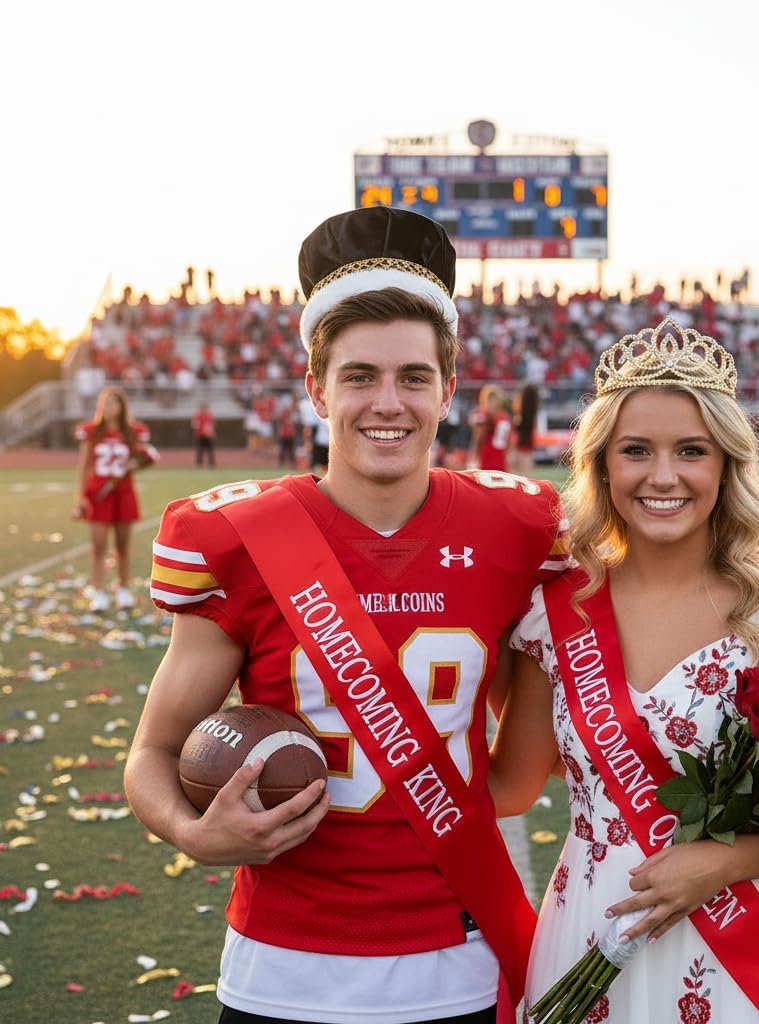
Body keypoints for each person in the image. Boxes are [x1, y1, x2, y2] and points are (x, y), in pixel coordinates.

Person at [124, 207, 568, 1024]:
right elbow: (150, 754)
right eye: (359, 375)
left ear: (449, 387)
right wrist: (194, 835)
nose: (387, 403)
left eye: (413, 377)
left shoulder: (518, 528)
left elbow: (510, 783)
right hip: (281, 966)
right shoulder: (235, 538)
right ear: (316, 387)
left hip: (455, 957)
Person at [488, 317, 759, 1022]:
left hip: (739, 943)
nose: (663, 476)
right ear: (601, 465)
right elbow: (509, 785)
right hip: (591, 929)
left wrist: (723, 863)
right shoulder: (553, 613)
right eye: (636, 451)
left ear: (725, 464)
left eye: (691, 451)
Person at [73, 386, 158, 612]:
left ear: (122, 406)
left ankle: (123, 590)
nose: (108, 407)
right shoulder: (92, 431)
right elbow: (83, 466)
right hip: (98, 493)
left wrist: (136, 463)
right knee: (99, 546)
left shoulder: (133, 431)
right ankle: (99, 592)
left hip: (123, 492)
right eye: (105, 403)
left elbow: (147, 456)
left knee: (122, 546)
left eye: (113, 403)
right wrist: (81, 497)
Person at [468, 385, 512, 471]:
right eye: (490, 400)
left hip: (500, 457)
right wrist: (473, 457)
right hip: (486, 456)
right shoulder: (482, 416)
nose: (492, 403)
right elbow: (476, 439)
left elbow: (507, 440)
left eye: (494, 400)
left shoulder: (503, 416)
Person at [509, 382, 540, 476]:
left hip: (518, 448)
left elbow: (514, 435)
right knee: (527, 478)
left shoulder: (519, 416)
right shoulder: (532, 415)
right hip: (527, 448)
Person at [192, 401, 217, 467]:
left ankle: (211, 463)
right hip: (200, 435)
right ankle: (199, 463)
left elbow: (212, 425)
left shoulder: (209, 416)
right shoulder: (197, 416)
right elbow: (195, 425)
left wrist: (212, 433)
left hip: (208, 436)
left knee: (210, 450)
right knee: (200, 450)